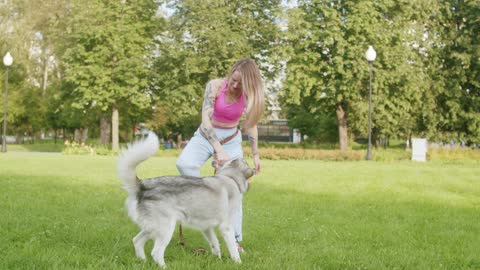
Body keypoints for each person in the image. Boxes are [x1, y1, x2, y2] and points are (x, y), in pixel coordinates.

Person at [176, 58, 264, 252]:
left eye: (240, 83)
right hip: (205, 136)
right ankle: (205, 200)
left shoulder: (249, 96)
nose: (234, 85)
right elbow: (205, 120)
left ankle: (235, 239)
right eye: (233, 80)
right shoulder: (215, 86)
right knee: (185, 164)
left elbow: (251, 125)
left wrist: (256, 155)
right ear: (231, 72)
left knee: (236, 190)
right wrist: (218, 149)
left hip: (231, 139)